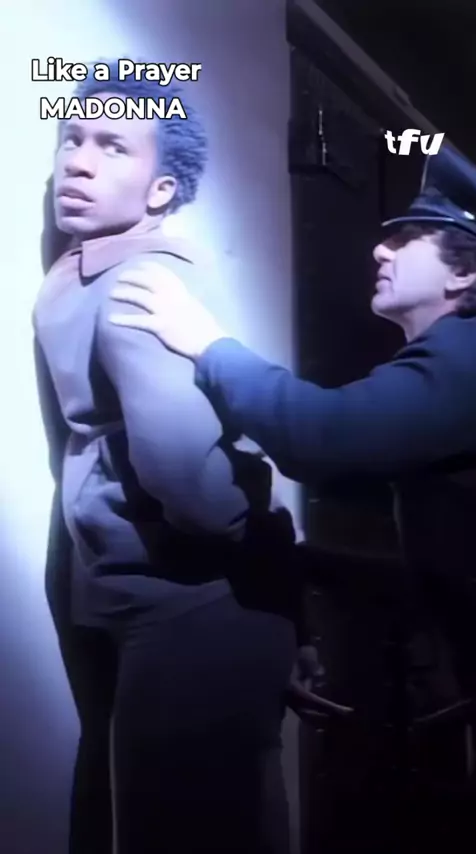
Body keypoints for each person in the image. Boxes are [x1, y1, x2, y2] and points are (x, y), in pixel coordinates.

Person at [109, 144, 476, 786]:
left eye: (408, 238)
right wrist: (284, 607)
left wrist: (209, 345)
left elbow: (322, 438)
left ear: (465, 274)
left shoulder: (466, 359)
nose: (380, 250)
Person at [33, 58, 325, 854]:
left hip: (197, 601)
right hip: (171, 598)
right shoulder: (87, 277)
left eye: (113, 147)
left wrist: (265, 561)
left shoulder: (136, 281)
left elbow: (187, 483)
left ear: (161, 189)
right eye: (72, 139)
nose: (79, 161)